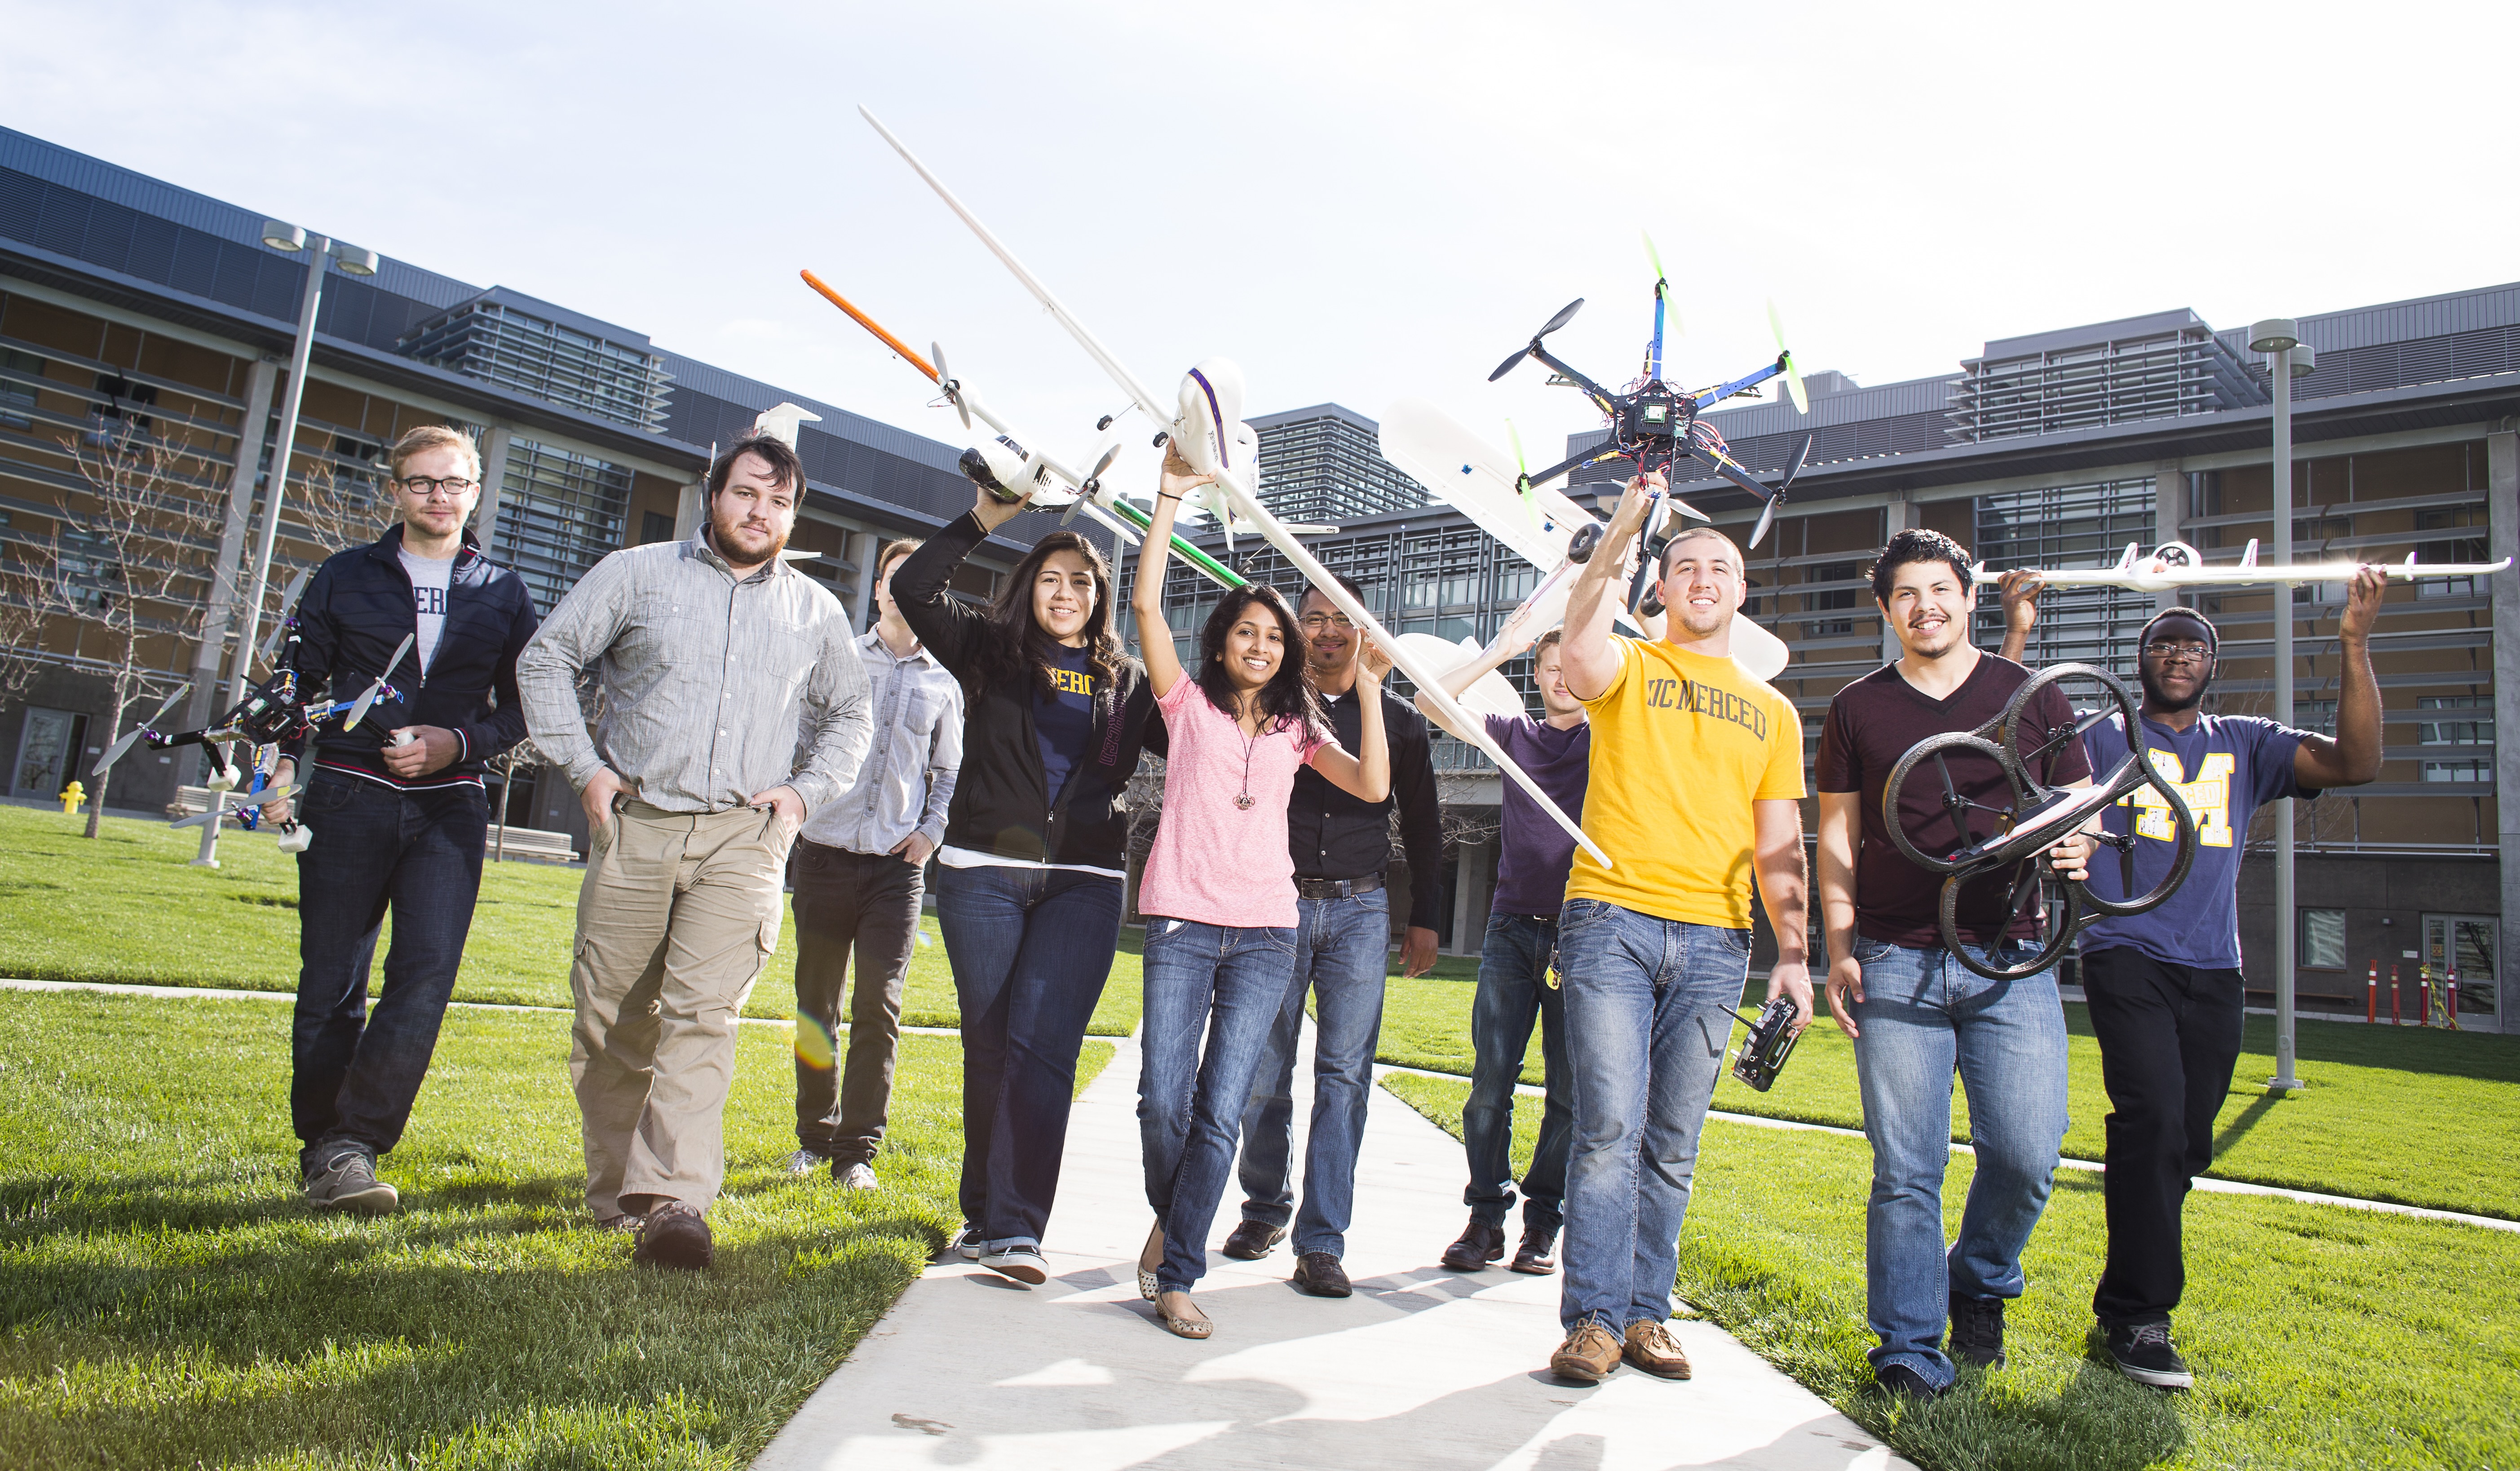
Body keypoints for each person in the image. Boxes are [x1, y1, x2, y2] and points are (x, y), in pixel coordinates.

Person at [2013, 571, 2383, 1388]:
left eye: (2193, 646)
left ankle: (2120, 1301)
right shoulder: (2105, 736)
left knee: (2182, 1140)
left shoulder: (2245, 741)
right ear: (2139, 659)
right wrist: (2018, 631)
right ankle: (2144, 1320)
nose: (2177, 655)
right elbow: (2007, 744)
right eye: (2162, 643)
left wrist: (2353, 642)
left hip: (2215, 968)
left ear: (2212, 664)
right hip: (2123, 950)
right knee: (2151, 1117)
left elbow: (2356, 761)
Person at [517, 434, 870, 1270]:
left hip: (744, 839)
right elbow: (547, 658)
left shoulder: (816, 610)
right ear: (713, 495)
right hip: (635, 823)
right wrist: (587, 769)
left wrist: (800, 796)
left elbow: (851, 716)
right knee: (611, 1023)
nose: (761, 512)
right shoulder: (635, 573)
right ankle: (615, 1195)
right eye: (747, 493)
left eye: (779, 502)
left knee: (704, 1016)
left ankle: (674, 1201)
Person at [1813, 527, 2096, 1399]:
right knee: (1907, 1167)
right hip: (1896, 956)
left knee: (2025, 1152)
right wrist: (1838, 944)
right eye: (1905, 593)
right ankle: (1907, 1347)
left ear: (1970, 597)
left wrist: (2079, 842)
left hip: (2011, 955)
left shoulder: (2032, 694)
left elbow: (2077, 800)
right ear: (1888, 607)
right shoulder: (1857, 706)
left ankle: (1979, 1279)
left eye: (1940, 589)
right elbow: (1835, 831)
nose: (1924, 605)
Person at [1545, 474, 1813, 1385]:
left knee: (1672, 1140)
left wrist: (1797, 956)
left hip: (1717, 941)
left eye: (1721, 567)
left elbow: (1781, 844)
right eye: (1685, 564)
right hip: (1610, 922)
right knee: (1609, 1126)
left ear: (1742, 593)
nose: (1702, 575)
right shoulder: (1631, 665)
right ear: (1660, 590)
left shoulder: (1775, 711)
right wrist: (1623, 528)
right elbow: (1579, 642)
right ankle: (1592, 1318)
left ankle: (1648, 1313)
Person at [1126, 451, 1392, 1339]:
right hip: (1183, 922)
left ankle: (1178, 1268)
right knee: (1164, 1097)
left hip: (1267, 933)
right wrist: (1170, 495)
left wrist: (1373, 691)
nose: (1262, 644)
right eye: (1248, 631)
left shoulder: (1297, 724)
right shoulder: (1186, 704)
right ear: (1223, 640)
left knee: (1223, 1102)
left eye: (1274, 638)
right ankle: (1179, 1216)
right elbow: (1144, 605)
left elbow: (1373, 787)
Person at [893, 479, 1162, 1287]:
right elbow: (913, 587)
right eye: (1051, 577)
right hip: (984, 873)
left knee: (1042, 1048)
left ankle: (1015, 1228)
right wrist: (988, 514)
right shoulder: (986, 651)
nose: (1066, 592)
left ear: (1101, 598)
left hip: (1082, 879)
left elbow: (1191, 746)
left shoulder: (1124, 684)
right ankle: (983, 1212)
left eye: (1082, 581)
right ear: (1028, 588)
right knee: (990, 1045)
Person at [266, 424, 539, 1213]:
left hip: (449, 810)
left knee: (422, 979)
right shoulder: (343, 577)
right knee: (332, 980)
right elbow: (295, 682)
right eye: (421, 483)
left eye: (453, 483)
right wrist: (282, 764)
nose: (438, 497)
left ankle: (355, 1144)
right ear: (396, 489)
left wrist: (457, 742)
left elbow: (525, 707)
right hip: (348, 796)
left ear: (476, 490)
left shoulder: (503, 591)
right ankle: (323, 1144)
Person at [1220, 572, 1445, 1298]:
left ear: (1364, 629)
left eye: (1339, 619)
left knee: (1344, 1077)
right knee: (1261, 1069)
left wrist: (1426, 917)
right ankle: (1264, 1208)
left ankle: (1322, 1240)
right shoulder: (1273, 707)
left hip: (1358, 911)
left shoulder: (1400, 720)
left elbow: (1424, 825)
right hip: (1273, 907)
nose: (1325, 632)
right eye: (1310, 619)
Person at [784, 537, 964, 1190]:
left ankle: (856, 1151)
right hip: (825, 856)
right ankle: (813, 1135)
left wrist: (929, 834)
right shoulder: (836, 659)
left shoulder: (946, 680)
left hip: (896, 870)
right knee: (816, 1002)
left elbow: (947, 771)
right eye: (897, 576)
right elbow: (800, 742)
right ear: (881, 587)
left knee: (878, 1004)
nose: (906, 587)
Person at [1416, 613, 1587, 1276]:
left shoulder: (1614, 740)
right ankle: (1485, 1216)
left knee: (1570, 1093)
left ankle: (1542, 1222)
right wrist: (1503, 648)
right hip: (1513, 927)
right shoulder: (1512, 737)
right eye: (1550, 665)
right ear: (1538, 675)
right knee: (1489, 1083)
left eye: (1576, 663)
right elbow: (1432, 701)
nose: (1564, 676)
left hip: (1585, 932)